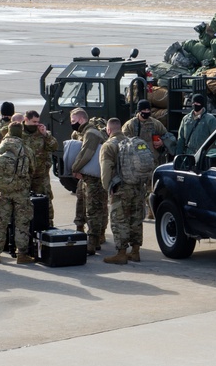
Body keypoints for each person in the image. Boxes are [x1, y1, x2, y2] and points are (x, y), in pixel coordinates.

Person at [100, 118, 147, 265]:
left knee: (120, 220)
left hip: (120, 188)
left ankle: (121, 253)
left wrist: (108, 188)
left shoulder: (108, 146)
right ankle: (135, 252)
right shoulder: (131, 142)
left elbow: (106, 170)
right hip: (137, 187)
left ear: (108, 130)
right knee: (136, 219)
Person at [0, 122, 36, 264]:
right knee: (22, 222)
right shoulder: (25, 149)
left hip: (3, 190)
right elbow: (32, 168)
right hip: (20, 191)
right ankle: (21, 254)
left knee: (1, 221)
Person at [70, 107, 108, 255]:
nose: (72, 124)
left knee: (94, 210)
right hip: (87, 177)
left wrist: (75, 168)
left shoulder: (91, 133)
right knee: (83, 205)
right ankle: (87, 237)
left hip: (95, 179)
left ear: (81, 120)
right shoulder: (83, 132)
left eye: (74, 121)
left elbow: (86, 154)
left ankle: (93, 244)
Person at [23, 109, 59, 228]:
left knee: (46, 201)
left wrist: (45, 135)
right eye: (34, 122)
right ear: (26, 120)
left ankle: (48, 225)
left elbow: (54, 146)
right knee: (23, 202)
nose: (36, 124)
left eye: (38, 121)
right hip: (25, 175)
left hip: (41, 175)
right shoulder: (19, 133)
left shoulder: (43, 133)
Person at [124, 99, 169, 166]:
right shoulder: (130, 125)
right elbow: (123, 141)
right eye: (144, 110)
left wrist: (162, 142)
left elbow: (167, 135)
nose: (146, 112)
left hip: (153, 160)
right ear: (139, 111)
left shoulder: (155, 123)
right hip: (136, 162)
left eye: (148, 110)